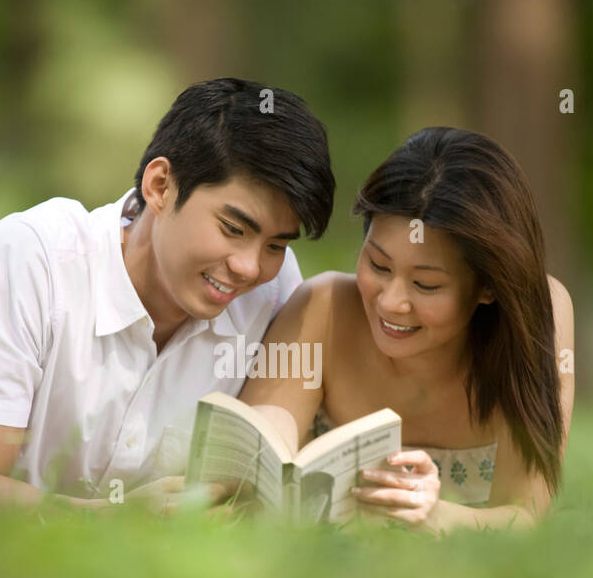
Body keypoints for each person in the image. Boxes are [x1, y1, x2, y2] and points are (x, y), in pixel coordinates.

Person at [0, 77, 336, 513]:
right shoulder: (29, 258)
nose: (250, 268)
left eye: (275, 244)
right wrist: (115, 521)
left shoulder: (273, 289)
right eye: (233, 228)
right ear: (161, 185)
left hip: (4, 382)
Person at [239, 127, 574, 532]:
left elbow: (526, 516)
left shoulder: (540, 318)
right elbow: (253, 463)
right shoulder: (323, 308)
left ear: (488, 286)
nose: (390, 302)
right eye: (378, 265)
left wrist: (434, 516)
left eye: (426, 284)